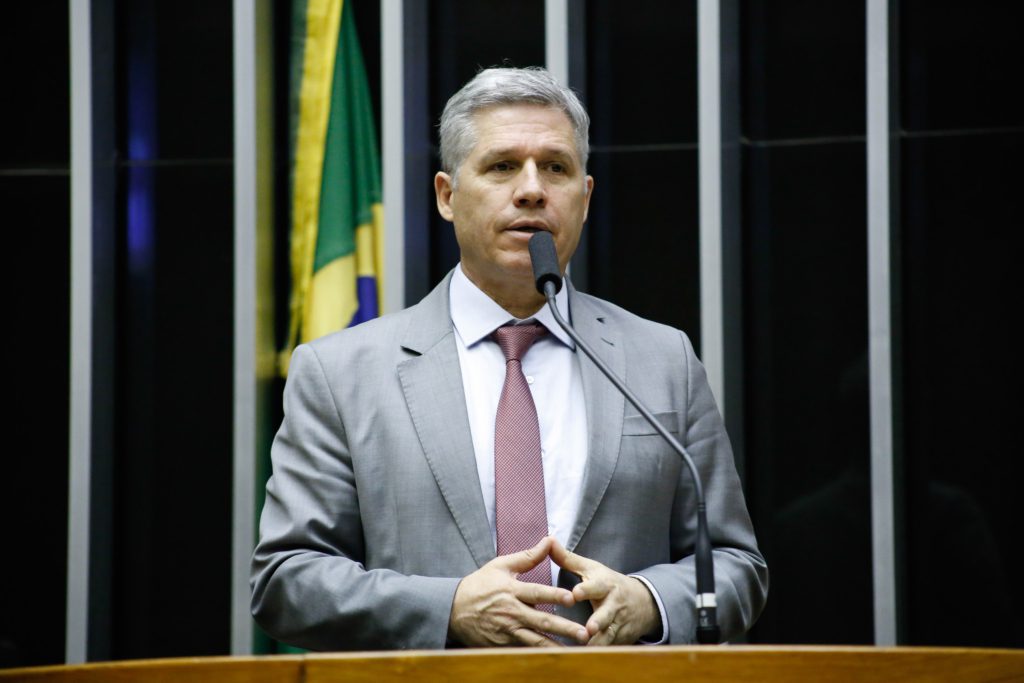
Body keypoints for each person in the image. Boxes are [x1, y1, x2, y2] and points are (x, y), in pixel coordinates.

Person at [251, 66, 767, 650]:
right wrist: (447, 608)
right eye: (501, 166)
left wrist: (650, 602)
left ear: (585, 198)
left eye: (556, 168)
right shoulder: (342, 373)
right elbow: (286, 579)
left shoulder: (663, 360)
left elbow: (736, 566)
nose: (532, 190)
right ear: (447, 196)